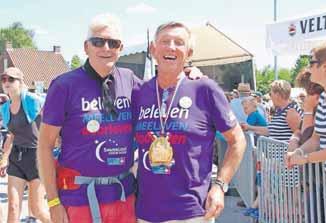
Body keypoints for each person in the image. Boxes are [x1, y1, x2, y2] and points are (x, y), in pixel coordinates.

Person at [37, 14, 203, 223]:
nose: (106, 48)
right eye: (98, 41)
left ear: (120, 48)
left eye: (113, 43)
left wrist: (185, 72)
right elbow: (44, 145)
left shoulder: (130, 81)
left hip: (124, 198)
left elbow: (163, 89)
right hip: (78, 200)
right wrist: (53, 202)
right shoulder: (64, 86)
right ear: (86, 47)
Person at [132, 21, 247, 223]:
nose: (171, 47)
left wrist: (220, 185)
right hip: (145, 212)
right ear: (153, 49)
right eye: (165, 41)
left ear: (189, 52)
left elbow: (238, 140)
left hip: (193, 212)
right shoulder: (139, 92)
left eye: (179, 42)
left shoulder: (204, 89)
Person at [0, 67, 50, 223]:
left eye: (11, 79)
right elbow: (11, 135)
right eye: (4, 79)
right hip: (16, 157)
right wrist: (3, 159)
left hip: (36, 158)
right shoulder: (4, 108)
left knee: (37, 210)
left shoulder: (32, 100)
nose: (6, 82)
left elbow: (54, 115)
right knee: (13, 207)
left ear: (20, 82)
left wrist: (57, 139)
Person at [285, 42, 326, 214]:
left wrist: (306, 158)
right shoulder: (325, 97)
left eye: (312, 63)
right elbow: (316, 138)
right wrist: (299, 152)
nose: (308, 68)